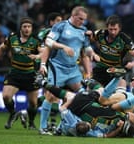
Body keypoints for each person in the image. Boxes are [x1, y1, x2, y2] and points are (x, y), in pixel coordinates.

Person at [39, 6, 96, 134]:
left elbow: (86, 53)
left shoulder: (83, 30)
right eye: (80, 19)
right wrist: (63, 47)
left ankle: (62, 126)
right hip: (57, 66)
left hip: (73, 69)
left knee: (82, 96)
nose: (82, 22)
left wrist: (88, 72)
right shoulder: (61, 26)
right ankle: (42, 127)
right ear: (73, 15)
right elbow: (48, 42)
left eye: (84, 20)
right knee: (50, 95)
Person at [0, 17, 41, 130]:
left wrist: (37, 56)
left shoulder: (36, 40)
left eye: (29, 27)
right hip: (15, 73)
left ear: (32, 28)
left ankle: (31, 122)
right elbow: (1, 49)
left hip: (30, 74)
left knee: (33, 103)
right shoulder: (12, 38)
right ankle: (13, 113)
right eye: (25, 27)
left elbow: (44, 52)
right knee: (6, 96)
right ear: (21, 28)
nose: (27, 29)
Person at [15, 12, 63, 129]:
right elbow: (41, 49)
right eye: (57, 20)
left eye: (61, 20)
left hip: (54, 66)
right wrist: (39, 60)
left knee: (53, 95)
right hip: (45, 66)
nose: (60, 23)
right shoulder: (46, 33)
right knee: (53, 94)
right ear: (51, 22)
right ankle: (51, 124)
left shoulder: (59, 33)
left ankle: (26, 113)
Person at [86, 14, 134, 87]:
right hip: (100, 70)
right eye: (111, 29)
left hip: (116, 71)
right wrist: (93, 53)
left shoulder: (124, 39)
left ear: (119, 28)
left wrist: (132, 64)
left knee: (121, 92)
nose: (113, 32)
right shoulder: (100, 33)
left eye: (115, 29)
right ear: (107, 27)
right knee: (92, 93)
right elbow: (88, 40)